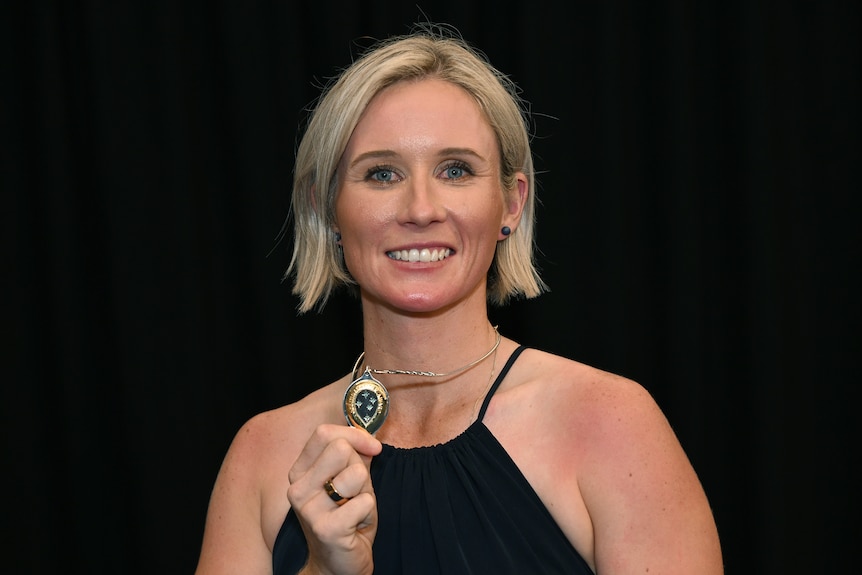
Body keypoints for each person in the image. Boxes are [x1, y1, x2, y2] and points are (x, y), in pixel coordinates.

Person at [195, 24, 723, 575]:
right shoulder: (263, 456)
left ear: (511, 203)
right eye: (381, 173)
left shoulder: (610, 425)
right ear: (326, 208)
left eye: (455, 170)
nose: (421, 208)